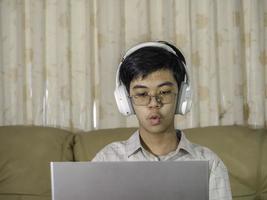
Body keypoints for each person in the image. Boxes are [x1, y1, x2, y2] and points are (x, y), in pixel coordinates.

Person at [92, 41, 232, 200]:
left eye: (164, 92)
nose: (154, 104)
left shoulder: (210, 164)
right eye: (142, 94)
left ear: (182, 96)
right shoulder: (106, 159)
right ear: (125, 100)